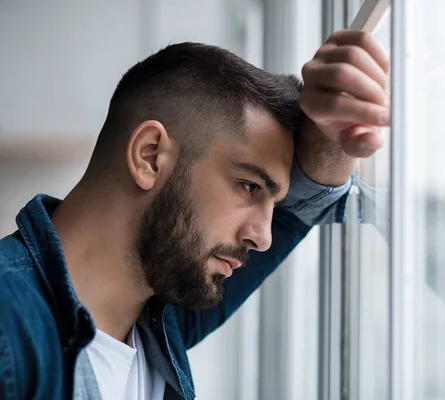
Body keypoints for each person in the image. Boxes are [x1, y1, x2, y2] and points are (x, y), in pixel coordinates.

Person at [0, 29, 389, 400]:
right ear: (150, 156)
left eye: (272, 202)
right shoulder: (9, 328)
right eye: (249, 186)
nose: (264, 237)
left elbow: (305, 202)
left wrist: (332, 132)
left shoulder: (160, 316)